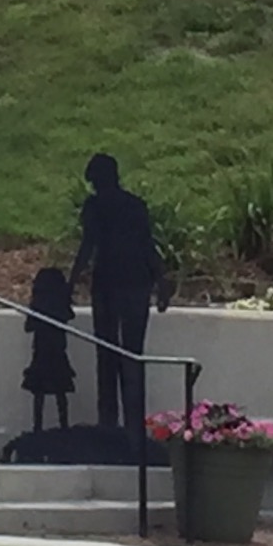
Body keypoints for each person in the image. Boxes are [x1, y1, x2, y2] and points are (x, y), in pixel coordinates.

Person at [71, 152, 162, 429]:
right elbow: (148, 245)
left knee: (107, 355)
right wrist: (161, 280)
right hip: (137, 283)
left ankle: (109, 425)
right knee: (132, 355)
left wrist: (71, 280)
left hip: (109, 284)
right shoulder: (135, 206)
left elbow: (89, 245)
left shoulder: (94, 207)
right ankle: (133, 428)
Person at [22, 265, 77, 434]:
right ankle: (63, 425)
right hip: (55, 352)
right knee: (59, 392)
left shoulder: (39, 305)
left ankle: (38, 426)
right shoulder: (58, 306)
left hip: (44, 352)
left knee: (41, 393)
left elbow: (28, 326)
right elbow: (69, 316)